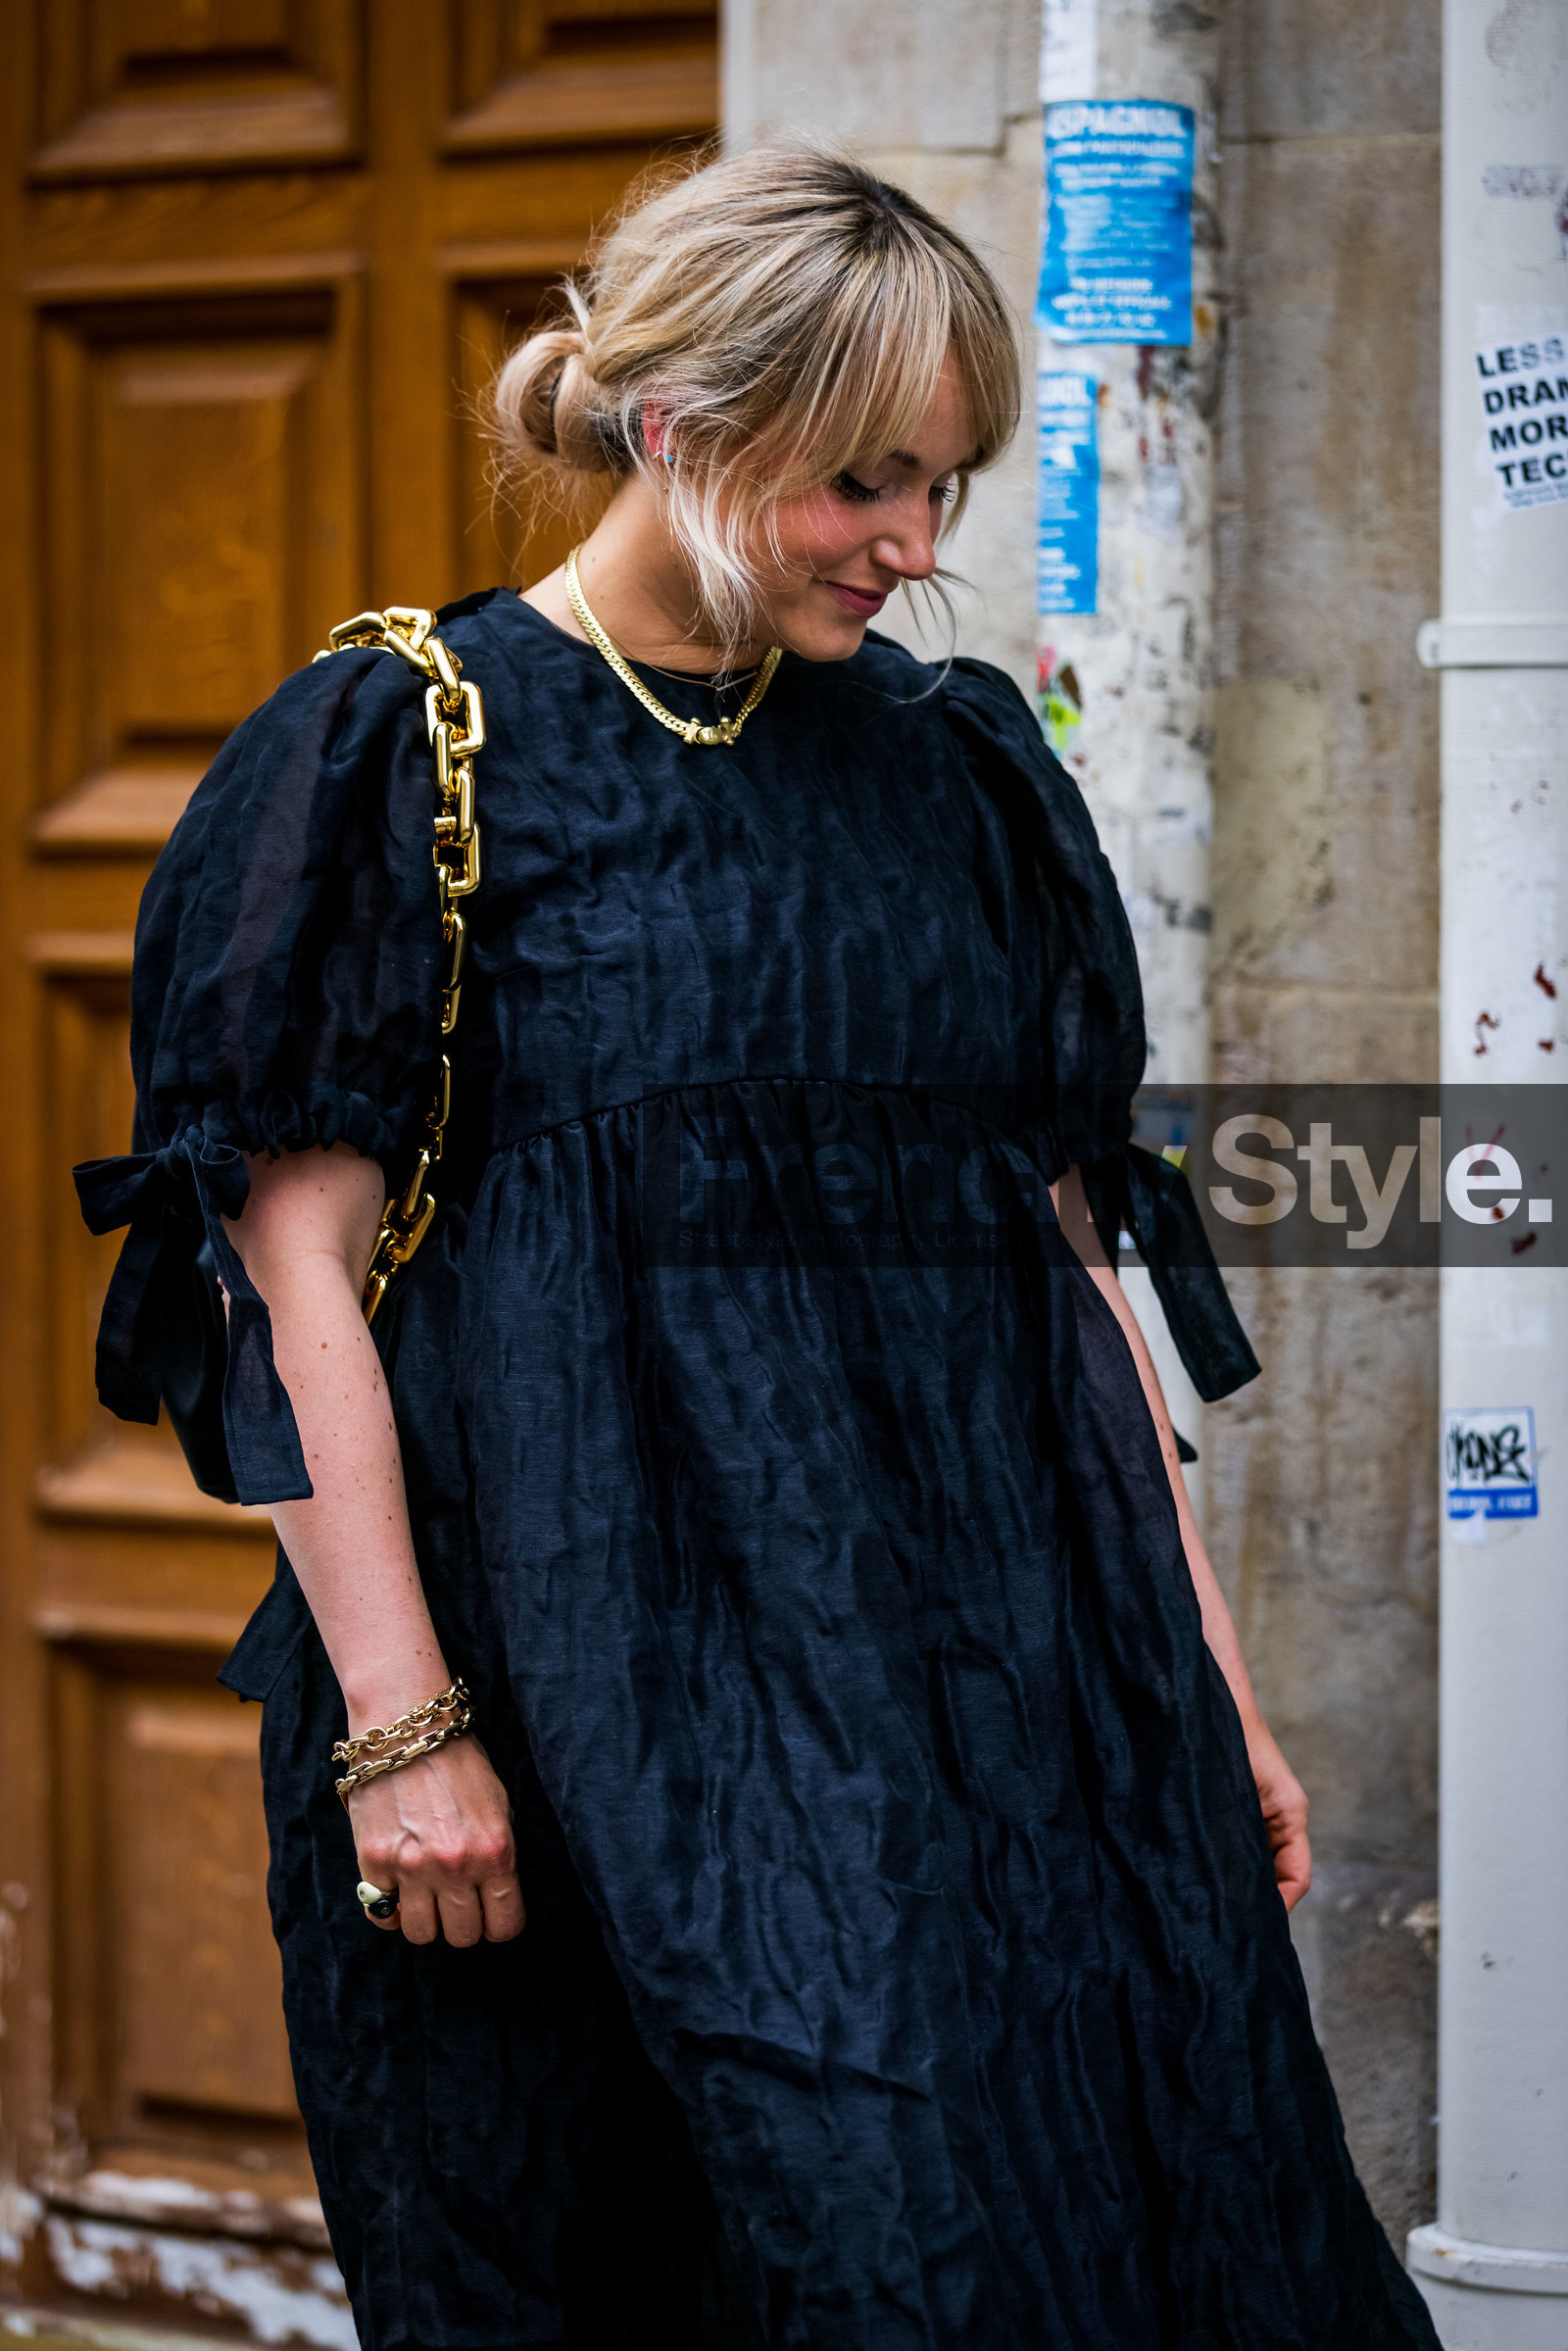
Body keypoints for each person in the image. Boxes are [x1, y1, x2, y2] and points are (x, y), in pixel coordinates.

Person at [78, 145, 1440, 2351]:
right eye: (860, 485)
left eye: (945, 487)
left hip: (1004, 1706)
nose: (914, 549)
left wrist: (1197, 1676)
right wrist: (401, 1727)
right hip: (609, 1722)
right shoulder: (408, 743)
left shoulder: (954, 765)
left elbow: (1062, 1260)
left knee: (1146, 2249)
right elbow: (290, 1269)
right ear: (679, 431)